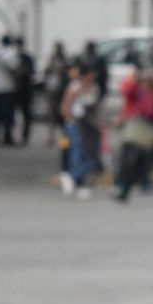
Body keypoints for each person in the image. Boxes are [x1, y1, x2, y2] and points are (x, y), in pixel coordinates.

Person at [114, 69, 153, 204]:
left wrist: (138, 115)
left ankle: (125, 192)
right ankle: (125, 192)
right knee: (152, 164)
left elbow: (150, 112)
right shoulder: (149, 94)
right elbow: (128, 91)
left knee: (139, 163)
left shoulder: (150, 95)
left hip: (147, 134)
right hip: (149, 134)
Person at [59, 63, 101, 201]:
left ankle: (75, 177)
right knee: (76, 152)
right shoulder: (74, 88)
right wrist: (74, 119)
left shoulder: (94, 88)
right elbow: (65, 108)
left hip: (89, 125)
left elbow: (95, 109)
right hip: (75, 125)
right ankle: (74, 178)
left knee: (89, 154)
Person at [42, 42, 69, 150]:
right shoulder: (51, 60)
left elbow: (66, 74)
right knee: (51, 114)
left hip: (60, 89)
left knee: (61, 114)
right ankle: (51, 136)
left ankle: (63, 136)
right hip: (52, 88)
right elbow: (46, 72)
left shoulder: (65, 62)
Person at [14, 36, 36, 145]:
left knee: (26, 114)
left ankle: (25, 136)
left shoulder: (27, 58)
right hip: (15, 90)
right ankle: (15, 135)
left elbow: (32, 72)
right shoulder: (13, 57)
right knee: (15, 115)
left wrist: (23, 72)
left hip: (25, 90)